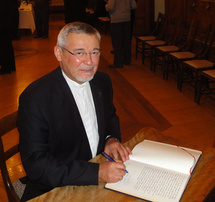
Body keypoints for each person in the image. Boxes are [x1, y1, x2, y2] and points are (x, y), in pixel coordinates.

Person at [17, 21, 131, 201]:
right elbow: (37, 165)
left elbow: (109, 117)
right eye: (79, 53)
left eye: (95, 52)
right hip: (55, 188)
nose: (89, 61)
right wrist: (96, 173)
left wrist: (111, 139)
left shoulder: (102, 81)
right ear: (58, 53)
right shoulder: (35, 98)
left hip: (99, 172)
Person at [105, 0, 136, 68]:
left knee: (117, 42)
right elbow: (134, 6)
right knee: (126, 41)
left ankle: (118, 63)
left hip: (116, 20)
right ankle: (127, 60)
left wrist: (106, 5)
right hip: (127, 19)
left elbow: (110, 7)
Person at [0, 0, 19, 74]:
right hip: (8, 25)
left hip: (3, 25)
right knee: (8, 46)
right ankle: (11, 66)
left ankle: (6, 68)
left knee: (3, 47)